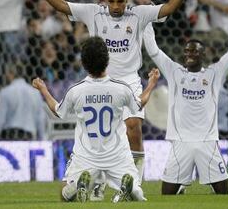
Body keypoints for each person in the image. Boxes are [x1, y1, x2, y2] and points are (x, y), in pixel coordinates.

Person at [25, 0, 193, 190]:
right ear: (105, 1)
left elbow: (168, 8)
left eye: (120, 1)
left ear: (127, 0)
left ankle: (135, 180)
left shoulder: (139, 14)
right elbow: (63, 6)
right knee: (100, 132)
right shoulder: (94, 12)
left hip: (129, 80)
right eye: (112, 2)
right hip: (99, 78)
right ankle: (95, 180)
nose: (116, 6)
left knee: (133, 126)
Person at [32, 37, 160, 203]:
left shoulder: (76, 91)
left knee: (64, 194)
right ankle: (129, 189)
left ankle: (77, 186)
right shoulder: (121, 88)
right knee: (137, 192)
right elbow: (140, 104)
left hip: (86, 155)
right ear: (107, 60)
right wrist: (151, 84)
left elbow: (57, 111)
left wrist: (43, 89)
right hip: (117, 155)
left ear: (84, 63)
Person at [144, 4, 228, 195]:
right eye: (187, 51)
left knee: (224, 195)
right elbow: (153, 50)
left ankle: (198, 185)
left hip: (207, 142)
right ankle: (181, 188)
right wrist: (147, 20)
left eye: (194, 51)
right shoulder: (174, 71)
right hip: (180, 142)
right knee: (166, 196)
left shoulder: (214, 74)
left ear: (203, 54)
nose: (190, 54)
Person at [0, 63, 46, 140]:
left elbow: (0, 119)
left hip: (9, 136)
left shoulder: (5, 92)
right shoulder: (35, 92)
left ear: (11, 73)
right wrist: (42, 138)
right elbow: (40, 118)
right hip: (28, 136)